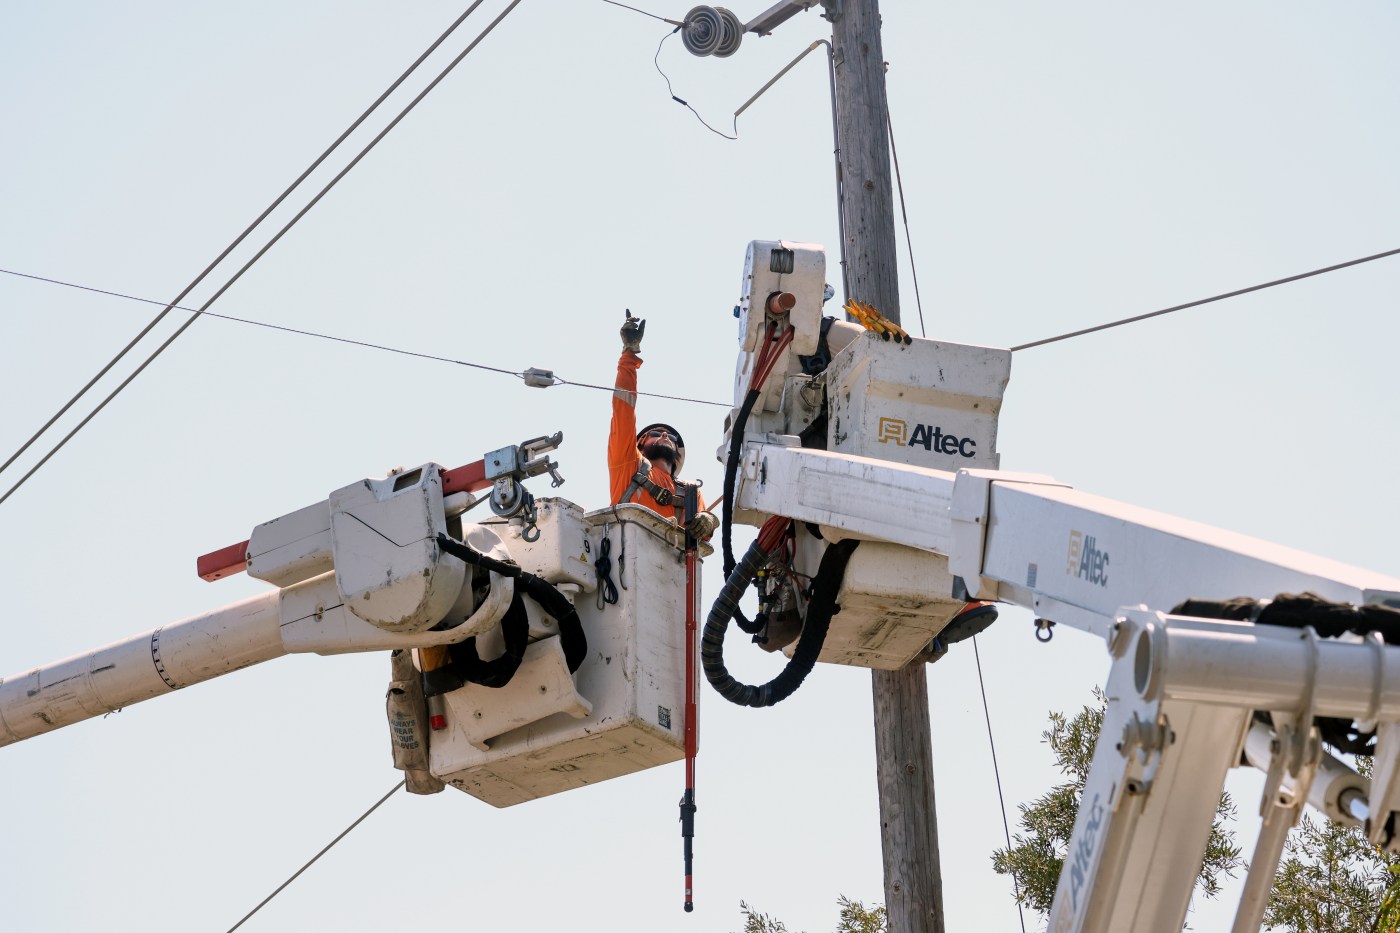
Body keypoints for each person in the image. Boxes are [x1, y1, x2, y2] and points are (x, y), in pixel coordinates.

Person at [609, 310, 718, 541]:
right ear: (639, 444)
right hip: (627, 562)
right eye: (656, 433)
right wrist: (629, 354)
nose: (665, 435)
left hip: (670, 571)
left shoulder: (690, 492)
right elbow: (624, 409)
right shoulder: (628, 463)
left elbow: (705, 535)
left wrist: (710, 521)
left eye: (671, 437)